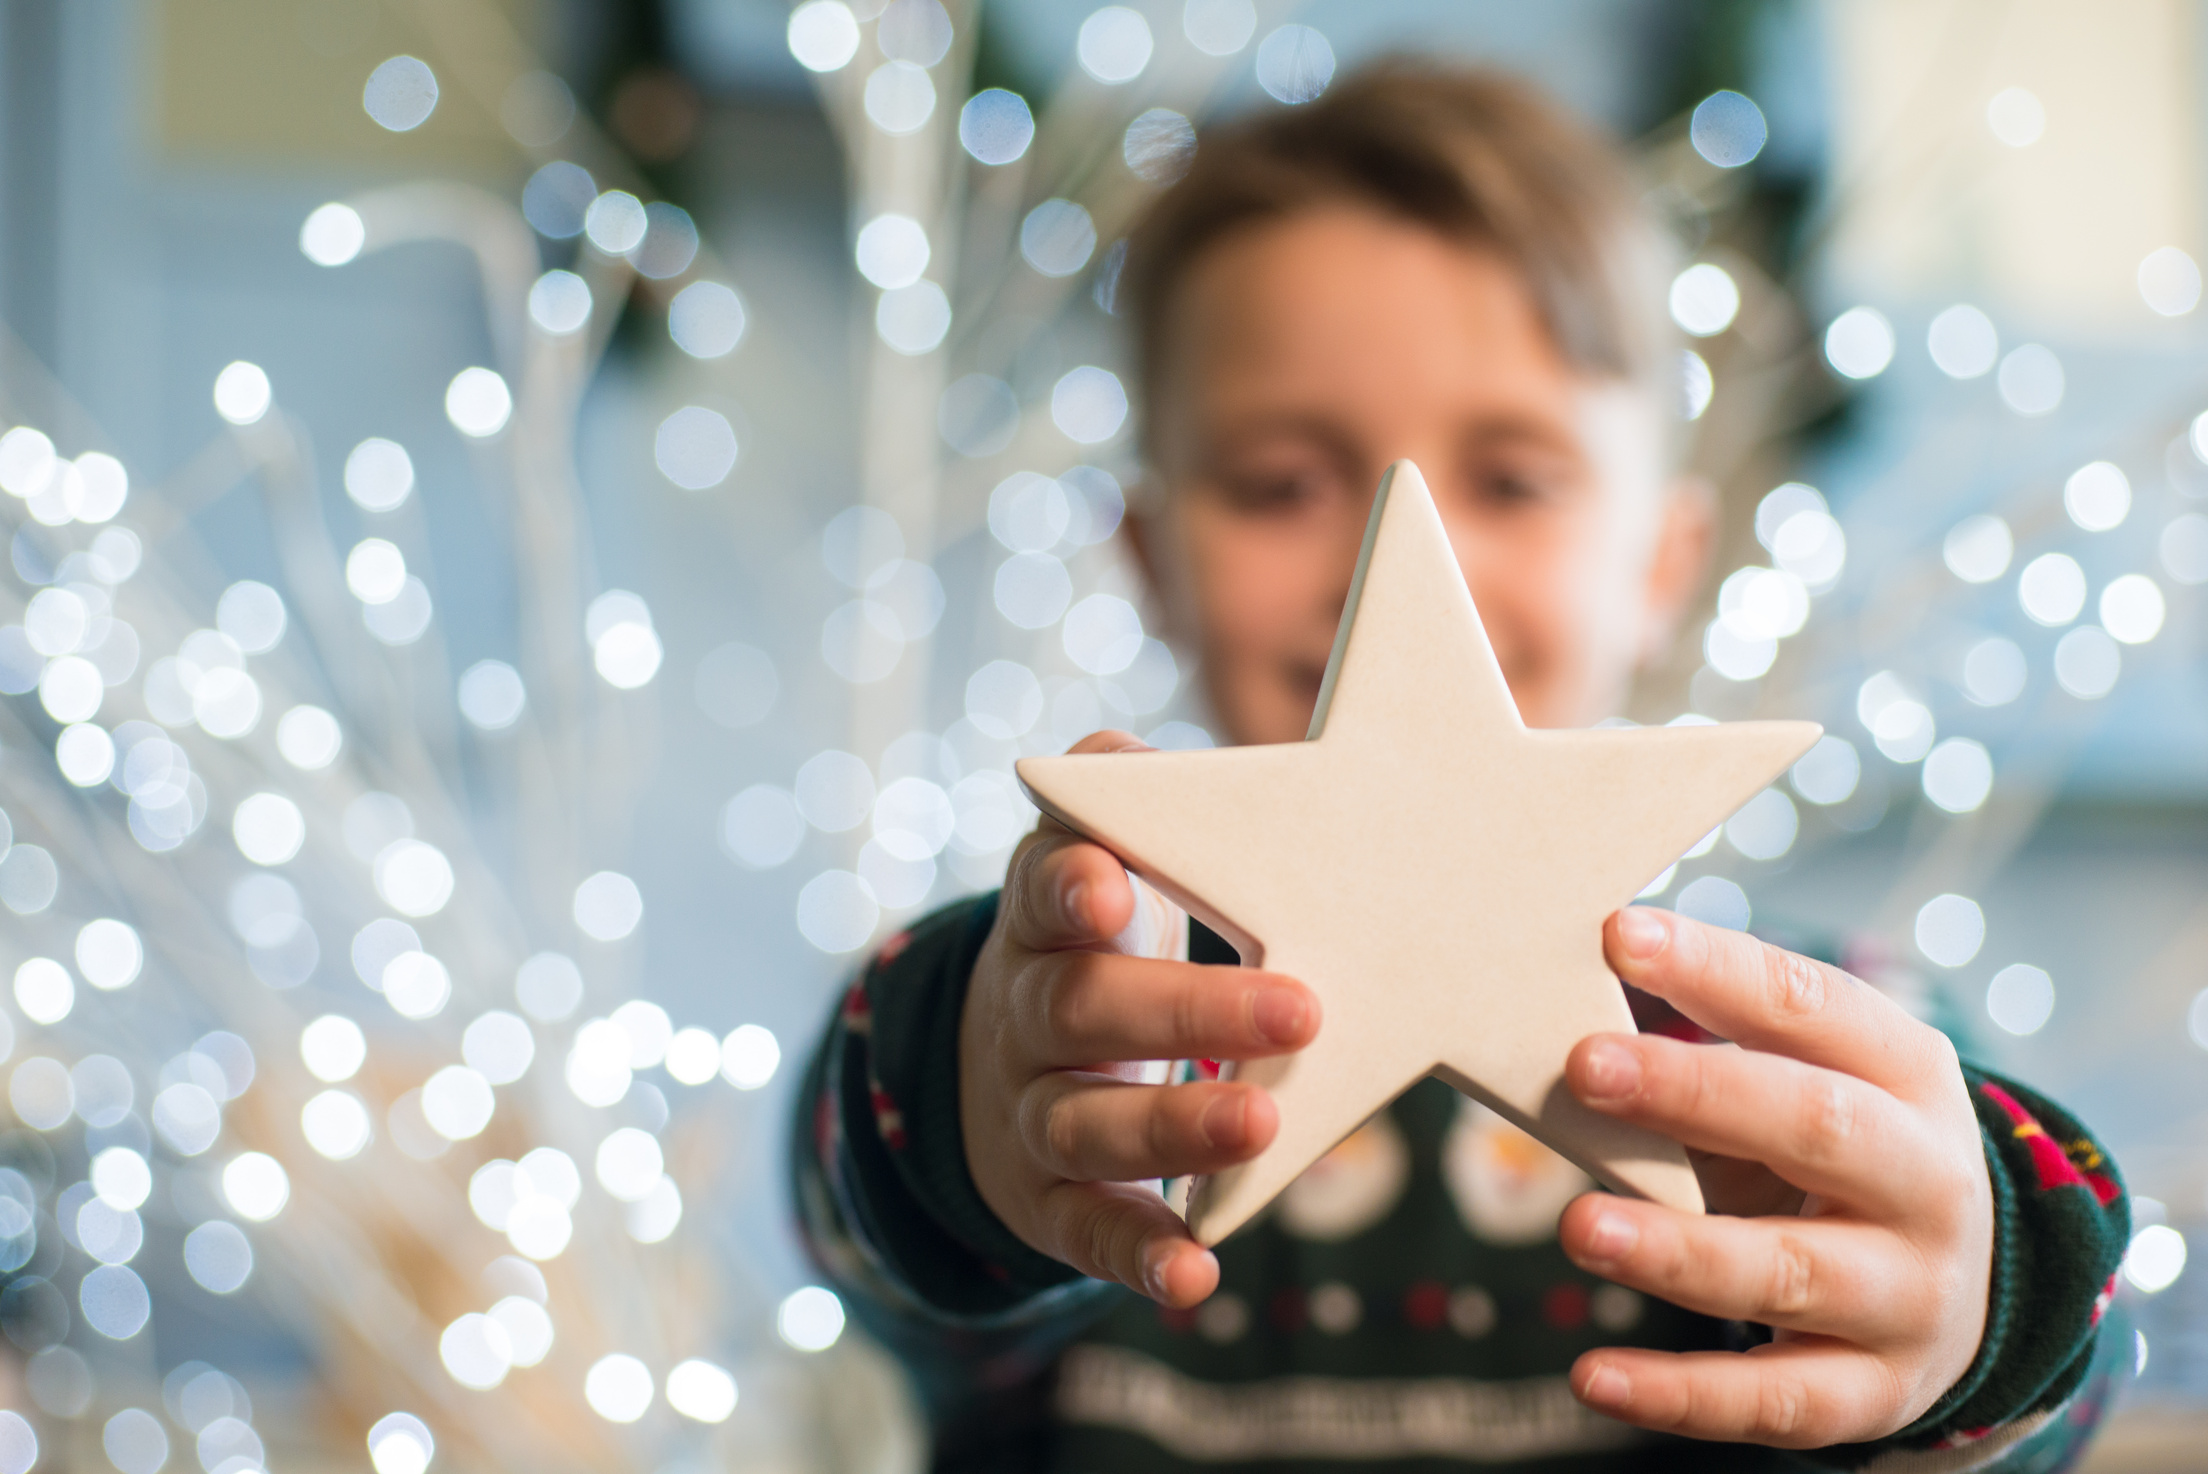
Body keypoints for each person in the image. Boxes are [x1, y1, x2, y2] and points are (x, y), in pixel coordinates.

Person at [792, 63, 2129, 1472]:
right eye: (1281, 482)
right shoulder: (1093, 1039)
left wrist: (1983, 1309)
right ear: (1150, 558)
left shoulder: (1807, 1071)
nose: (1395, 552)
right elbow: (872, 1210)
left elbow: (2042, 1386)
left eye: (1514, 478)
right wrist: (967, 1102)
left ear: (1667, 562)